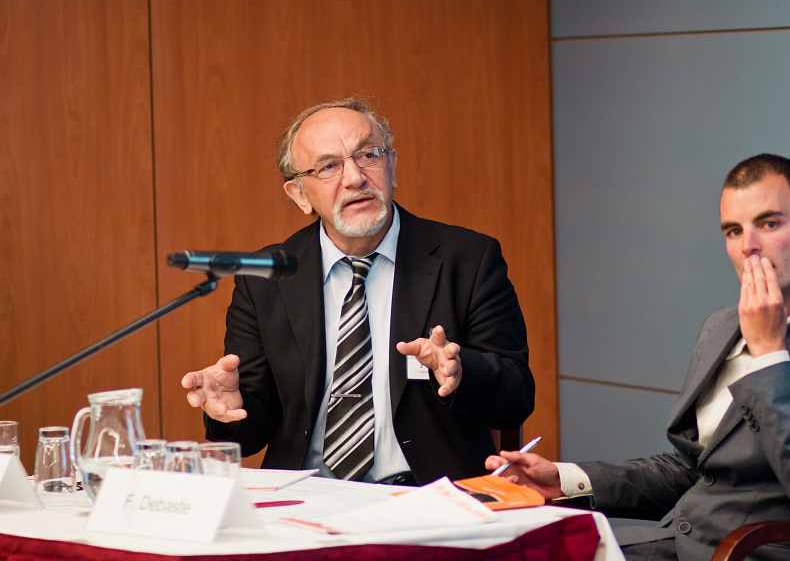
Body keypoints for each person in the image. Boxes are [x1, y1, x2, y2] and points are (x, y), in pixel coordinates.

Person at [486, 154, 790, 561]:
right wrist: (564, 480)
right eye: (733, 231)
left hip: (750, 553)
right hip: (675, 542)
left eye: (769, 223)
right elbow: (693, 469)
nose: (749, 247)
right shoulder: (722, 325)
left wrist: (768, 356)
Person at [181, 97, 534, 485]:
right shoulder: (265, 277)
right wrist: (232, 408)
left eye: (368, 155)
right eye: (329, 166)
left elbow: (516, 396)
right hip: (308, 494)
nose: (354, 178)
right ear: (300, 194)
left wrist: (461, 371)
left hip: (426, 495)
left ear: (391, 166)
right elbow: (251, 433)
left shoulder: (468, 259)